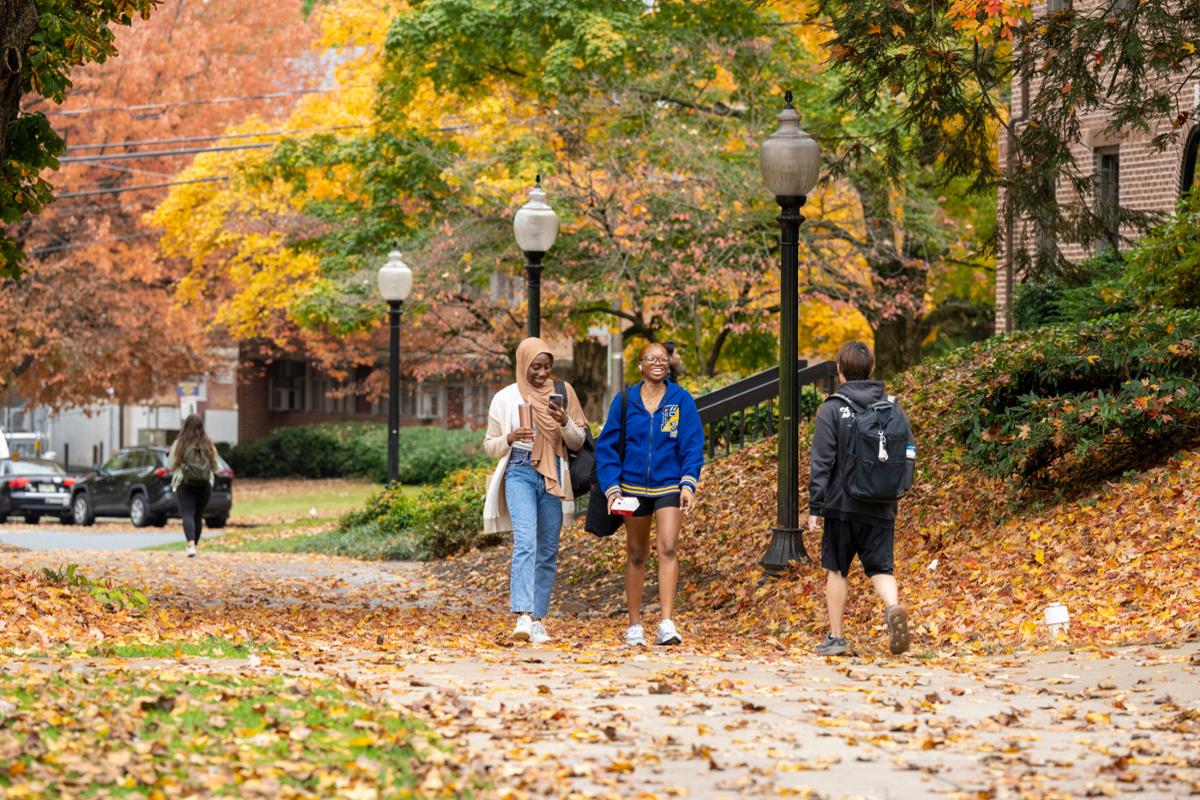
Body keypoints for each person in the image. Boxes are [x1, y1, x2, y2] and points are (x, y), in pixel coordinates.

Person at [808, 341, 914, 656]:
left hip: (842, 505)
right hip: (882, 504)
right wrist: (898, 490)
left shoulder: (832, 408)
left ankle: (836, 638)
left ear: (840, 371)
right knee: (882, 568)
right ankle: (893, 606)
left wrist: (815, 505)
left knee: (837, 569)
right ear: (871, 369)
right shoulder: (892, 407)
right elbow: (908, 452)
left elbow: (821, 461)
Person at [596, 342, 704, 647]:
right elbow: (607, 447)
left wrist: (688, 482)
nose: (658, 362)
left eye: (663, 358)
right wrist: (612, 487)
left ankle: (666, 623)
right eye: (651, 358)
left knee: (668, 547)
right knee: (636, 552)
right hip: (632, 487)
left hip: (669, 484)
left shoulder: (680, 400)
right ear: (640, 365)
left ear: (669, 364)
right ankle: (634, 625)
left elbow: (692, 444)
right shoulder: (625, 400)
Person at [483, 338, 589, 644]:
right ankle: (523, 615)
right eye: (535, 367)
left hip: (553, 473)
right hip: (519, 470)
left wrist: (564, 421)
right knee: (526, 541)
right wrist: (510, 438)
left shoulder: (563, 393)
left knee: (548, 549)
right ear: (522, 364)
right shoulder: (505, 398)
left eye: (547, 367)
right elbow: (489, 445)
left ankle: (539, 619)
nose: (542, 373)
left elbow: (579, 441)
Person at [168, 413, 218, 558]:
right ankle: (194, 545)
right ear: (202, 426)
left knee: (187, 514)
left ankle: (190, 545)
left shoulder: (180, 443)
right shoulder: (208, 444)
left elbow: (171, 465)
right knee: (198, 515)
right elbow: (215, 467)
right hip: (204, 485)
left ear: (186, 426)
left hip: (185, 484)